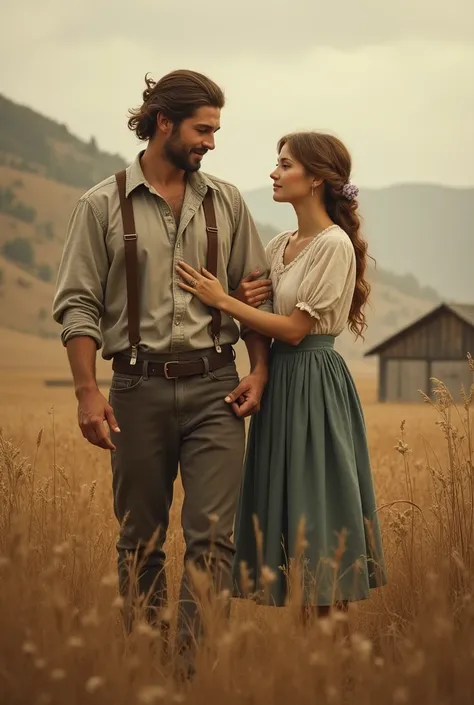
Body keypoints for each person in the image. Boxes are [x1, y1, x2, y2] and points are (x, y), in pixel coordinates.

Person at [52, 69, 272, 669]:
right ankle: (146, 664)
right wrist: (85, 391)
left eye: (216, 130)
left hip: (216, 389)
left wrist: (258, 369)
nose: (211, 141)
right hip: (135, 389)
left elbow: (253, 295)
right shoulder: (100, 203)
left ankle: (190, 672)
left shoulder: (227, 201)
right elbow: (77, 303)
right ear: (164, 122)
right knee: (141, 541)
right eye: (203, 129)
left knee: (212, 538)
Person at [176, 130, 387, 619]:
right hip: (280, 384)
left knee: (319, 509)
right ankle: (309, 661)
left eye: (285, 164)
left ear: (315, 179)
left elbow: (294, 329)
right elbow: (265, 314)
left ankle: (334, 659)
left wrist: (224, 301)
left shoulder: (334, 245)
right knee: (291, 513)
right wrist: (246, 304)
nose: (274, 172)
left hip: (314, 382)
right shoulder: (279, 244)